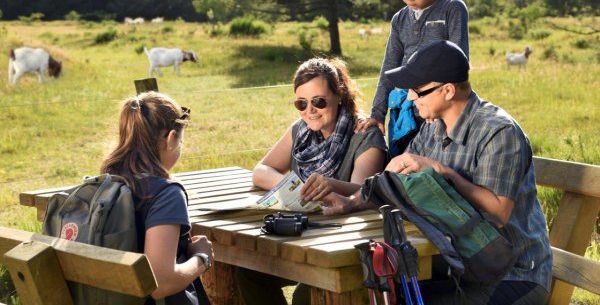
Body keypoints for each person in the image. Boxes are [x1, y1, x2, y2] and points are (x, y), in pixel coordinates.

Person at [324, 41, 552, 304]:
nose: (410, 97)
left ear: (447, 90)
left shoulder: (498, 132)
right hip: (457, 269)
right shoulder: (433, 126)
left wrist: (441, 172)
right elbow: (394, 180)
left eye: (418, 91)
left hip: (512, 275)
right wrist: (350, 202)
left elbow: (498, 213)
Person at [236, 57, 388, 305]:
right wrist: (294, 186)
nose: (310, 110)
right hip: (302, 235)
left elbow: (364, 191)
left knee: (305, 297)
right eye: (301, 103)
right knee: (250, 274)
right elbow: (261, 170)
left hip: (342, 242)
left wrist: (331, 184)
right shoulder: (301, 130)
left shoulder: (364, 134)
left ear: (339, 95)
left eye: (318, 101)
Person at [357, 0, 470, 156]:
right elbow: (389, 66)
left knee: (435, 165)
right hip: (405, 108)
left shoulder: (452, 9)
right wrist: (378, 113)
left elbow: (459, 64)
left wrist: (448, 111)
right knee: (402, 163)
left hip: (439, 110)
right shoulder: (400, 19)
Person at [100, 91, 213, 304]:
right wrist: (202, 258)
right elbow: (161, 284)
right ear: (171, 138)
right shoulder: (167, 195)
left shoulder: (107, 182)